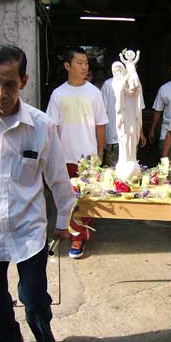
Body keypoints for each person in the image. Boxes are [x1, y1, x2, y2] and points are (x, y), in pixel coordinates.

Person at [0, 44, 76, 342]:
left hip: (29, 231)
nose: (1, 93)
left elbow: (58, 178)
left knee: (35, 300)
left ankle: (44, 339)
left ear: (24, 81)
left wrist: (62, 221)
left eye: (10, 84)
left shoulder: (42, 126)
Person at [46, 46, 109, 259]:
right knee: (67, 199)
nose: (84, 67)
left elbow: (101, 125)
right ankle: (73, 230)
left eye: (86, 63)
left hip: (88, 157)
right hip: (65, 156)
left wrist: (100, 152)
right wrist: (52, 156)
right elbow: (52, 128)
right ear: (67, 66)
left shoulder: (94, 92)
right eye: (79, 63)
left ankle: (78, 237)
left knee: (85, 200)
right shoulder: (58, 94)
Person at [101, 61, 146, 167]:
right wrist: (102, 138)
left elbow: (138, 109)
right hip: (113, 136)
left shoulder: (133, 85)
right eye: (116, 70)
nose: (118, 72)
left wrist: (141, 132)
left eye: (120, 69)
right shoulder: (108, 85)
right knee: (112, 170)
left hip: (131, 133)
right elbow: (102, 112)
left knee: (130, 164)